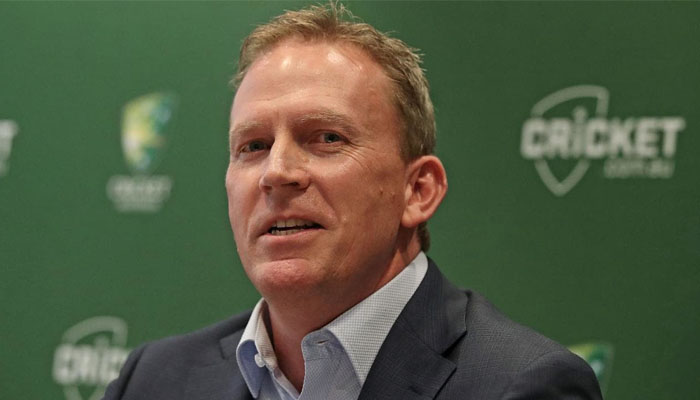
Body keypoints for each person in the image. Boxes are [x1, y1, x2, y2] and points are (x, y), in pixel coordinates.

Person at [104, 3, 602, 399]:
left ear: (418, 190)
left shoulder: (522, 385)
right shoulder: (153, 381)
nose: (277, 173)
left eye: (326, 138)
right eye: (253, 146)